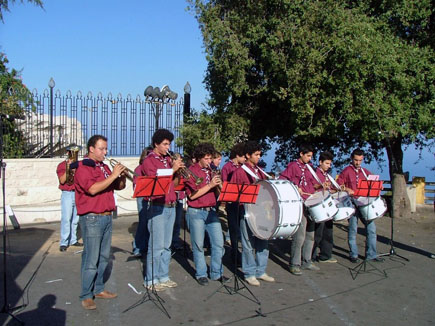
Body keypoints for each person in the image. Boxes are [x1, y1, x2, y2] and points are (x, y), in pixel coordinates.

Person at [74, 135, 127, 310]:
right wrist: (113, 175)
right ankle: (85, 295)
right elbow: (92, 189)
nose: (105, 152)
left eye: (105, 149)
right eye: (101, 149)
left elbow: (118, 187)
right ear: (91, 149)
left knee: (104, 257)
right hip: (92, 217)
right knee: (91, 258)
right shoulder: (83, 167)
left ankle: (98, 289)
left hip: (106, 215)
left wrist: (122, 176)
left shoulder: (103, 167)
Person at [140, 129, 183, 291]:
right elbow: (155, 180)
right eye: (165, 144)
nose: (168, 147)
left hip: (171, 205)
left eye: (169, 144)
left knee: (166, 245)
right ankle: (151, 279)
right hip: (157, 206)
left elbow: (176, 184)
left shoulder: (167, 159)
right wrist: (172, 169)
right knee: (156, 245)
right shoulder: (149, 160)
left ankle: (163, 276)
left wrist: (177, 170)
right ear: (156, 144)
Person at [230, 141, 275, 286]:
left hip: (261, 210)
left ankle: (261, 270)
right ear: (248, 155)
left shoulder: (259, 171)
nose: (258, 157)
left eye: (260, 154)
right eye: (256, 155)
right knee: (248, 242)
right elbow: (233, 193)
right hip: (247, 211)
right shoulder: (239, 172)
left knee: (263, 239)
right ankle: (249, 272)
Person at [184, 143, 228, 286]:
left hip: (211, 211)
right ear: (199, 158)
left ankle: (216, 273)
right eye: (207, 159)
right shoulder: (191, 171)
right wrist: (210, 185)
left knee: (219, 244)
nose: (210, 161)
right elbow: (192, 196)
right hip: (196, 211)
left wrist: (219, 185)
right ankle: (201, 273)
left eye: (211, 158)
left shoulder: (211, 171)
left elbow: (220, 194)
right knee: (198, 245)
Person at [279, 144, 321, 276]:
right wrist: (294, 186)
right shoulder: (293, 166)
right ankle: (294, 263)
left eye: (311, 156)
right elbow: (282, 180)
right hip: (299, 203)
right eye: (308, 155)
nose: (309, 158)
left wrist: (320, 185)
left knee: (310, 234)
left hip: (311, 202)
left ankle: (307, 260)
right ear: (301, 154)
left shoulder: (309, 168)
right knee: (300, 234)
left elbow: (313, 183)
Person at [337, 149, 384, 263]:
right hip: (353, 204)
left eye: (360, 160)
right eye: (356, 160)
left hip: (364, 204)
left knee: (371, 229)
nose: (358, 163)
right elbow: (339, 184)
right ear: (352, 159)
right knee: (353, 229)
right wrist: (347, 189)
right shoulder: (346, 171)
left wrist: (379, 186)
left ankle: (371, 254)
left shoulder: (365, 171)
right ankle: (354, 254)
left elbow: (373, 181)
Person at [221, 142, 246, 262]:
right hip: (232, 202)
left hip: (243, 202)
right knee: (234, 229)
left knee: (242, 229)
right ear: (237, 155)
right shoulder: (227, 167)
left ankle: (240, 253)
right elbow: (225, 184)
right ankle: (234, 253)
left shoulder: (244, 167)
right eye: (243, 157)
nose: (245, 159)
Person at [312, 151, 337, 263]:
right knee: (318, 233)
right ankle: (310, 256)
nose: (328, 166)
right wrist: (320, 186)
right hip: (318, 206)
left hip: (327, 205)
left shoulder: (327, 175)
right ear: (320, 162)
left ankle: (325, 255)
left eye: (330, 164)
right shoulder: (315, 173)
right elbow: (312, 187)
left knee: (328, 231)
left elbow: (329, 188)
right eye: (326, 163)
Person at [56, 145, 81, 252]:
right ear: (67, 153)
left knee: (76, 219)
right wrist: (69, 169)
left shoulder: (79, 165)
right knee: (66, 218)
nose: (73, 154)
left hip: (77, 193)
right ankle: (64, 242)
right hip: (67, 193)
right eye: (71, 152)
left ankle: (73, 240)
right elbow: (62, 181)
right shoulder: (62, 165)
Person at [132, 147, 152, 258]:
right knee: (143, 222)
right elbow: (137, 186)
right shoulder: (139, 169)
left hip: (152, 197)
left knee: (150, 224)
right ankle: (138, 247)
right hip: (142, 197)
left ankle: (148, 246)